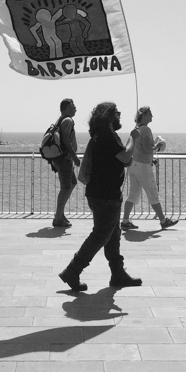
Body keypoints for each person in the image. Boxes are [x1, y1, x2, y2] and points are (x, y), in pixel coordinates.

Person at [59, 102, 142, 291]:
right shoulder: (107, 135)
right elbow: (125, 157)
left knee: (112, 235)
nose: (120, 117)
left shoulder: (100, 135)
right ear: (109, 116)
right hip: (105, 194)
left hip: (102, 192)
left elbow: (122, 160)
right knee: (101, 235)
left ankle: (117, 273)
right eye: (117, 114)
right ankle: (72, 270)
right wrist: (133, 138)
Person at [121, 106, 178, 230]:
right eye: (150, 114)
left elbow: (129, 146)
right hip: (143, 166)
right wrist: (158, 146)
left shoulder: (135, 129)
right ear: (144, 115)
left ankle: (125, 220)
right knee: (152, 192)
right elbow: (147, 149)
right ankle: (163, 220)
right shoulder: (146, 130)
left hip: (133, 165)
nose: (152, 116)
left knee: (133, 194)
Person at [52, 99, 81, 228]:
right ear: (67, 108)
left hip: (61, 158)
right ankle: (58, 217)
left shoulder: (61, 119)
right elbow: (65, 138)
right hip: (64, 159)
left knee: (71, 183)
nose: (76, 109)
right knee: (66, 187)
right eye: (73, 106)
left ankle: (60, 214)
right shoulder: (68, 120)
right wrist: (74, 156)